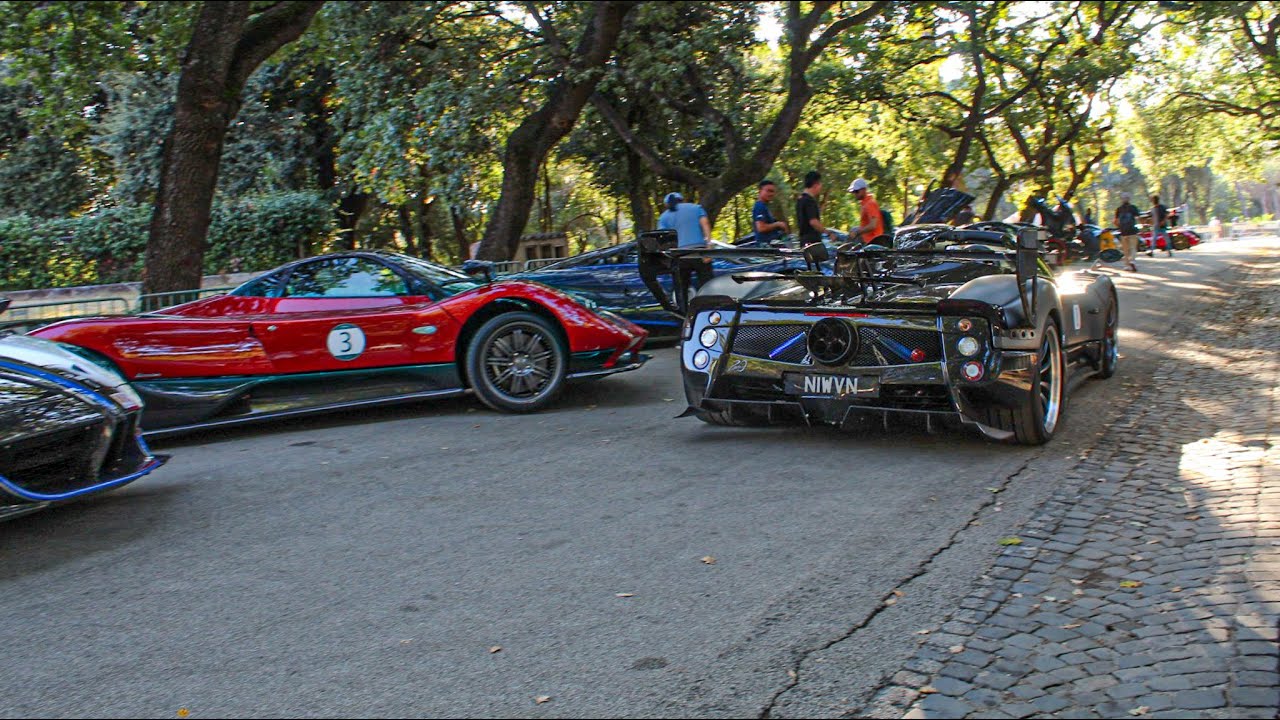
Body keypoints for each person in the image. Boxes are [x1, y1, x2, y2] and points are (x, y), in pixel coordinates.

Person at [657, 191, 713, 289]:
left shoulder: (663, 217)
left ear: (667, 204)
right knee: (707, 283)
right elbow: (705, 224)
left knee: (681, 287)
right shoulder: (696, 208)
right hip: (699, 251)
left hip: (679, 255)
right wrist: (709, 246)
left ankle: (683, 304)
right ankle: (708, 302)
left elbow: (662, 238)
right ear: (682, 200)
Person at [796, 171, 835, 246]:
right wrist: (828, 233)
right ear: (815, 184)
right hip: (812, 243)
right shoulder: (810, 201)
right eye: (820, 183)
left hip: (803, 241)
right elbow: (813, 222)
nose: (821, 186)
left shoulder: (800, 200)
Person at [847, 177, 884, 244]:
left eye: (857, 191)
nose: (855, 194)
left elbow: (873, 225)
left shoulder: (870, 204)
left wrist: (857, 232)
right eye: (853, 192)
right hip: (865, 238)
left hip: (872, 240)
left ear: (864, 190)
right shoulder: (864, 203)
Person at [751, 180, 788, 245]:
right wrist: (778, 224)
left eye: (773, 192)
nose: (771, 194)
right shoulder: (759, 206)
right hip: (765, 247)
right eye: (768, 191)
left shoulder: (764, 207)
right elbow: (761, 228)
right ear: (760, 191)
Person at [1114, 192, 1140, 272]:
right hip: (1132, 231)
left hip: (1123, 231)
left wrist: (1119, 227)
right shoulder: (1133, 208)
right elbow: (1138, 218)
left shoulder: (1119, 209)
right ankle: (1132, 261)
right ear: (1129, 199)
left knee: (1125, 249)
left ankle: (1127, 265)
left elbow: (1115, 221)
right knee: (1133, 248)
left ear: (1121, 199)